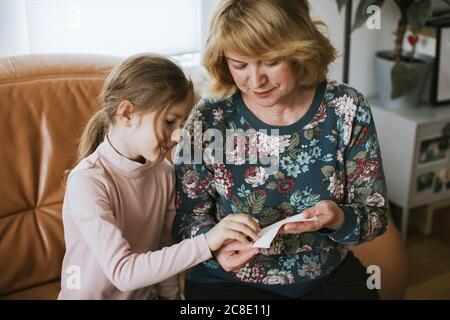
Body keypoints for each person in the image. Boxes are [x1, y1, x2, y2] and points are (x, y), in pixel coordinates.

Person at [172, 0, 388, 300]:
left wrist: (339, 218)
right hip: (227, 279)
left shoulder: (346, 108)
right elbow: (184, 219)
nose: (256, 81)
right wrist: (214, 247)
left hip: (325, 275)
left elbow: (375, 215)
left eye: (271, 62)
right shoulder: (210, 117)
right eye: (240, 65)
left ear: (299, 50)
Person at [58, 53, 260, 300]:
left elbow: (164, 247)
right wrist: (208, 242)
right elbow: (123, 272)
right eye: (169, 122)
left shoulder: (163, 172)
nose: (177, 136)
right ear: (127, 114)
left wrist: (172, 297)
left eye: (182, 124)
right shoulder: (88, 181)